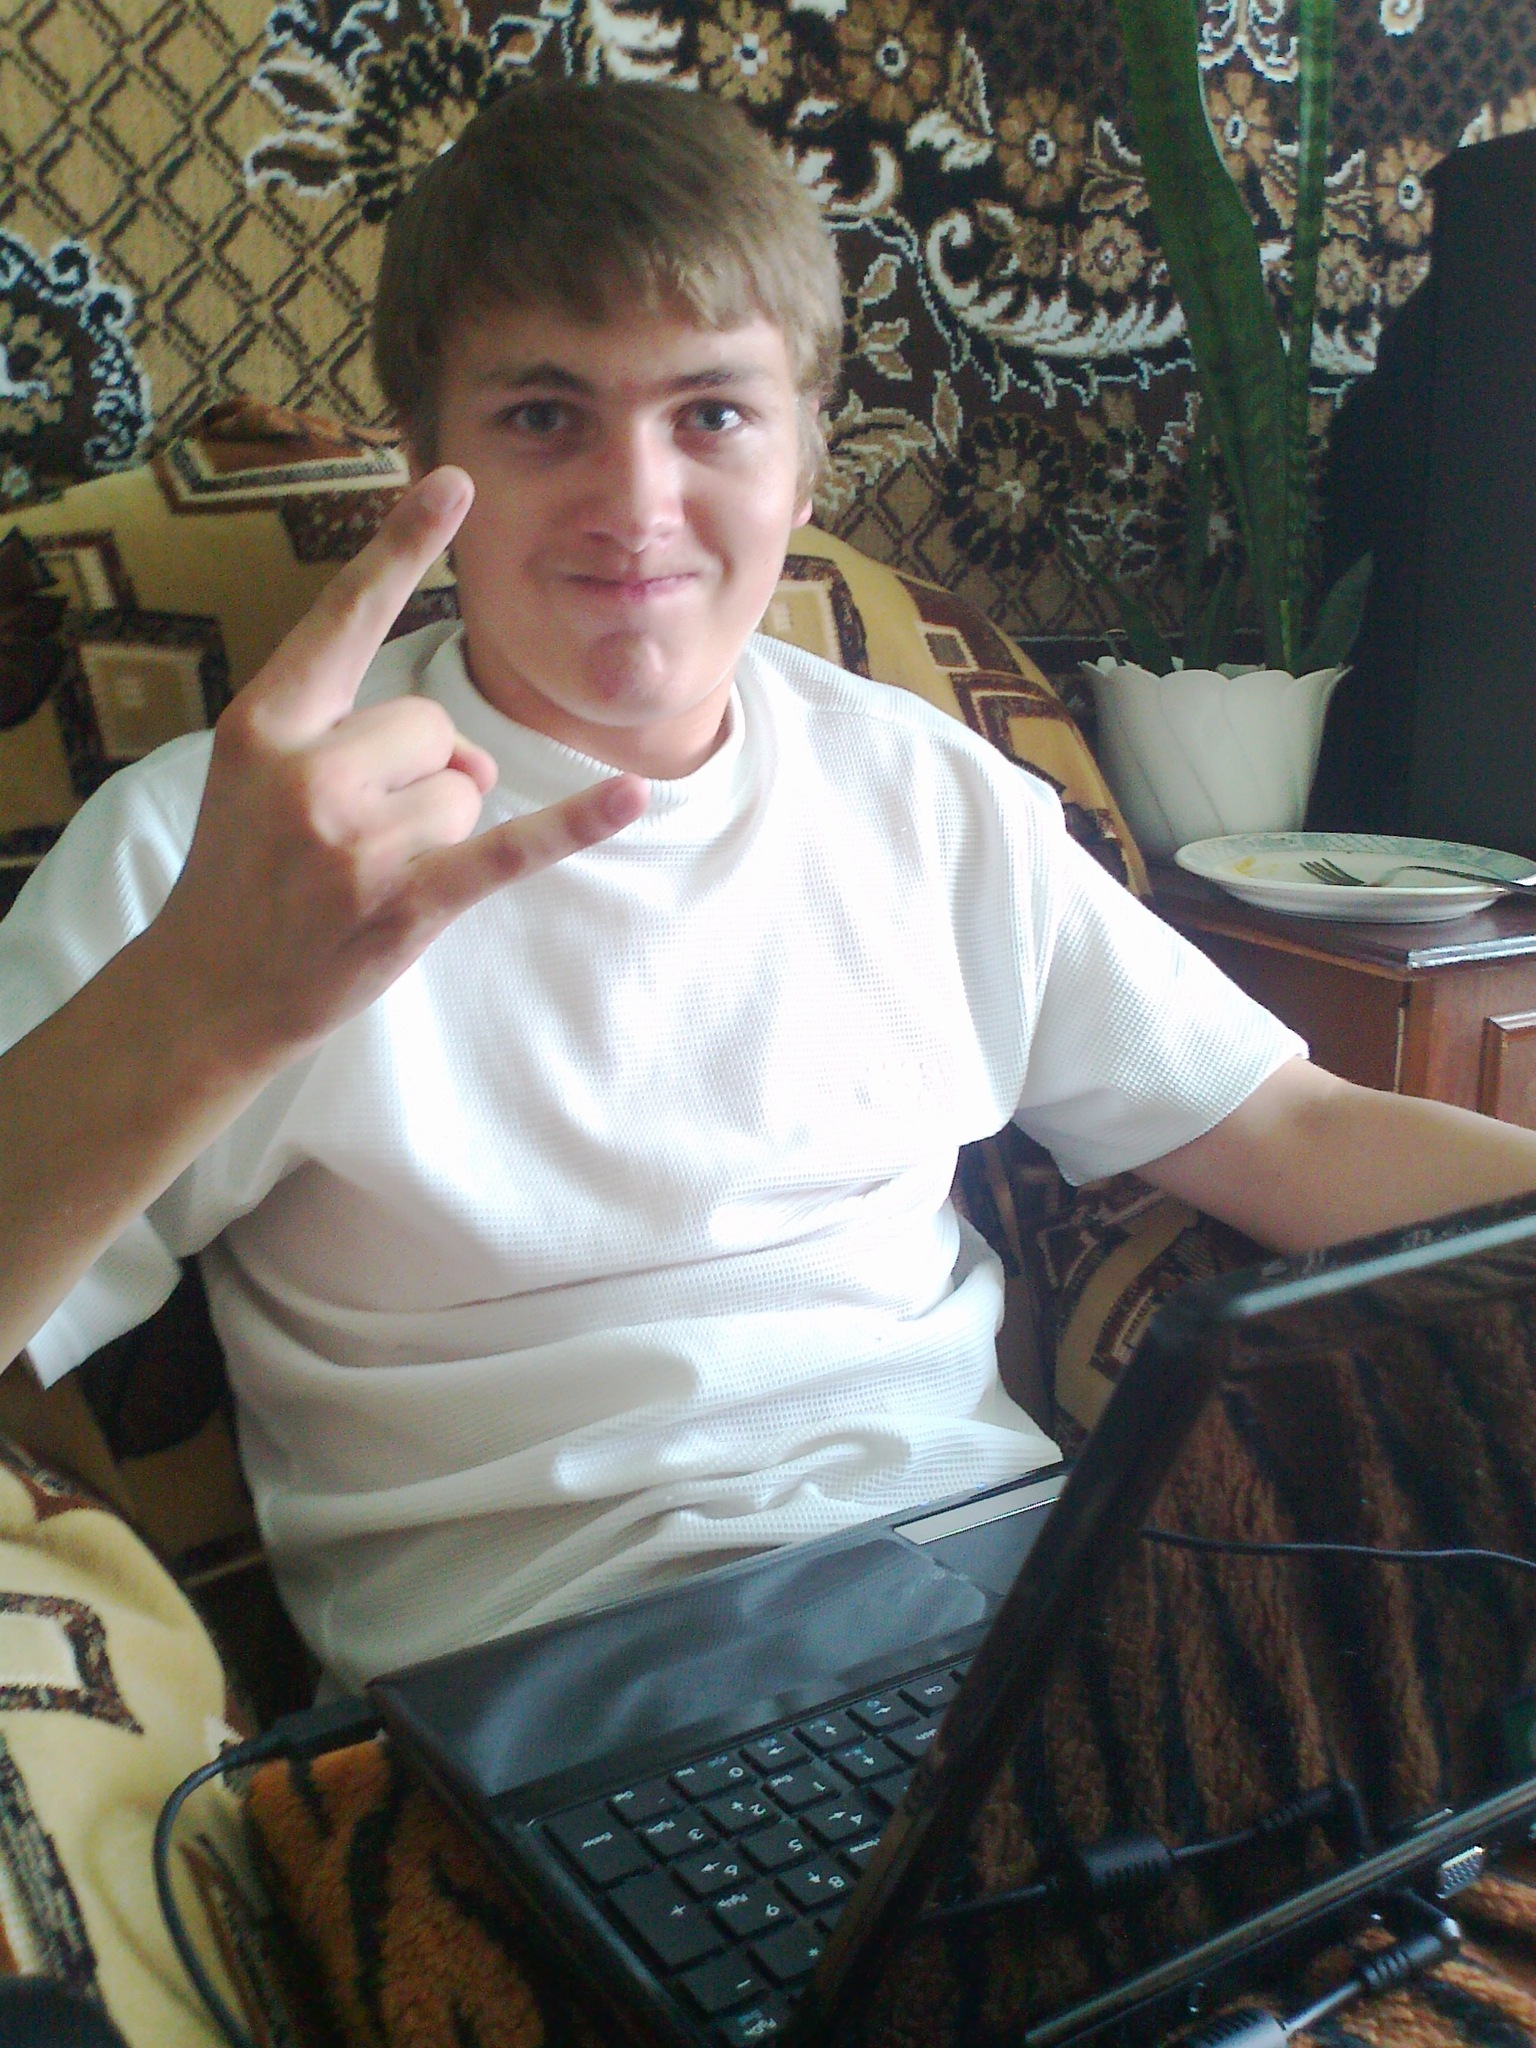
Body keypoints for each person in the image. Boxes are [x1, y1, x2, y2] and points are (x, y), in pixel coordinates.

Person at [3, 81, 1535, 1693]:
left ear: (806, 463)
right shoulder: (231, 846)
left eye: (713, 415)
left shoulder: (926, 785)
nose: (635, 504)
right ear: (423, 459)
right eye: (543, 416)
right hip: (536, 1683)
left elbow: (1283, 1129)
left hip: (1005, 1608)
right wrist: (203, 1009)